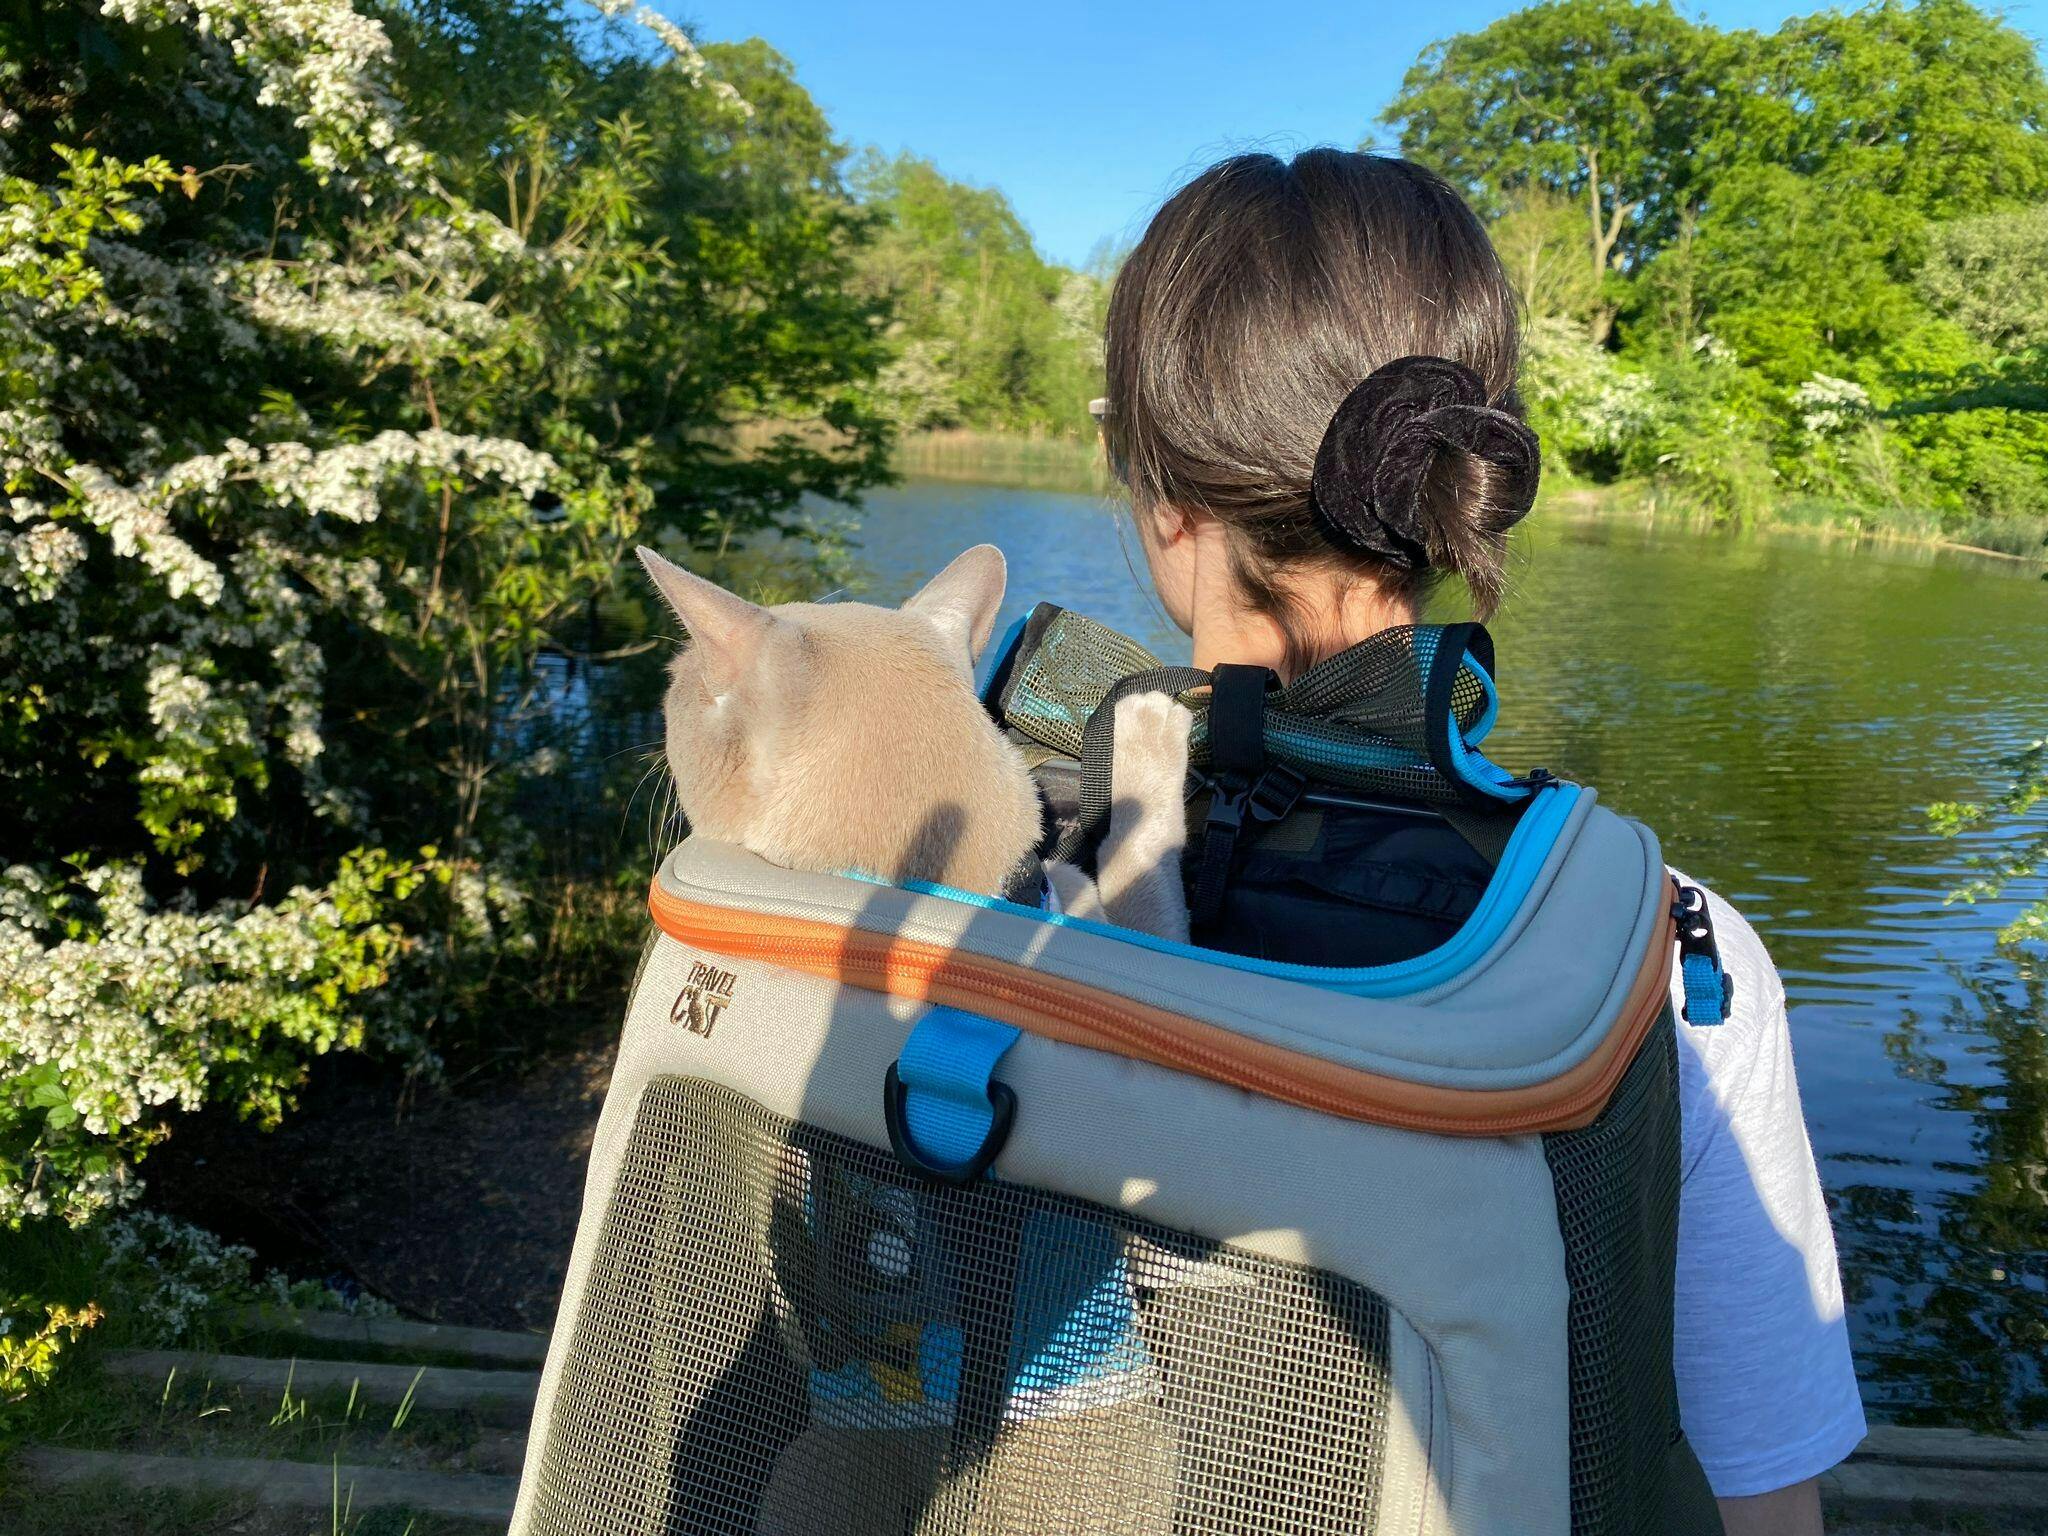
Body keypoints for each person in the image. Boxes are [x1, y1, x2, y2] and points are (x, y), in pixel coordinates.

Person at [1092, 148, 1867, 1536]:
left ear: (1161, 493)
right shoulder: (1658, 946)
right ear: (1456, 478)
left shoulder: (1009, 886)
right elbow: (1766, 1500)